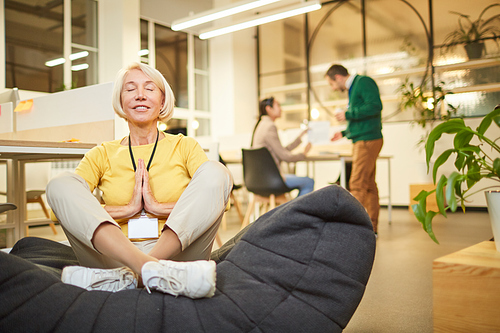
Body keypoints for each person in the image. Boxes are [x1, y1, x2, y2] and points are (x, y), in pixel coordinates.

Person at [46, 62, 232, 298]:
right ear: (121, 102)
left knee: (217, 171)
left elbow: (218, 200)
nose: (140, 95)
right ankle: (148, 271)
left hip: (178, 256)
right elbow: (59, 210)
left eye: (150, 89)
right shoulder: (102, 152)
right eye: (130, 89)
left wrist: (157, 208)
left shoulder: (184, 146)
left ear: (163, 101)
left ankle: (138, 272)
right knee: (60, 183)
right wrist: (127, 210)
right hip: (114, 257)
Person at [325, 64, 383, 235]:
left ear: (337, 77)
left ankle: (351, 231)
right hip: (364, 138)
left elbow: (375, 106)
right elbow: (363, 117)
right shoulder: (354, 87)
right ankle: (371, 228)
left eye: (331, 84)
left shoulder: (363, 82)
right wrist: (344, 132)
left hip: (367, 140)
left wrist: (348, 114)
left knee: (356, 184)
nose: (333, 88)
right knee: (369, 185)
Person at [251, 97, 314, 197]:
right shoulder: (270, 127)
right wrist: (304, 154)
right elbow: (286, 157)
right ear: (269, 109)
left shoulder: (261, 125)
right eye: (278, 105)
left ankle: (295, 210)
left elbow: (280, 151)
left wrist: (299, 138)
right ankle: (297, 212)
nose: (281, 109)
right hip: (271, 179)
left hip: (258, 180)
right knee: (308, 182)